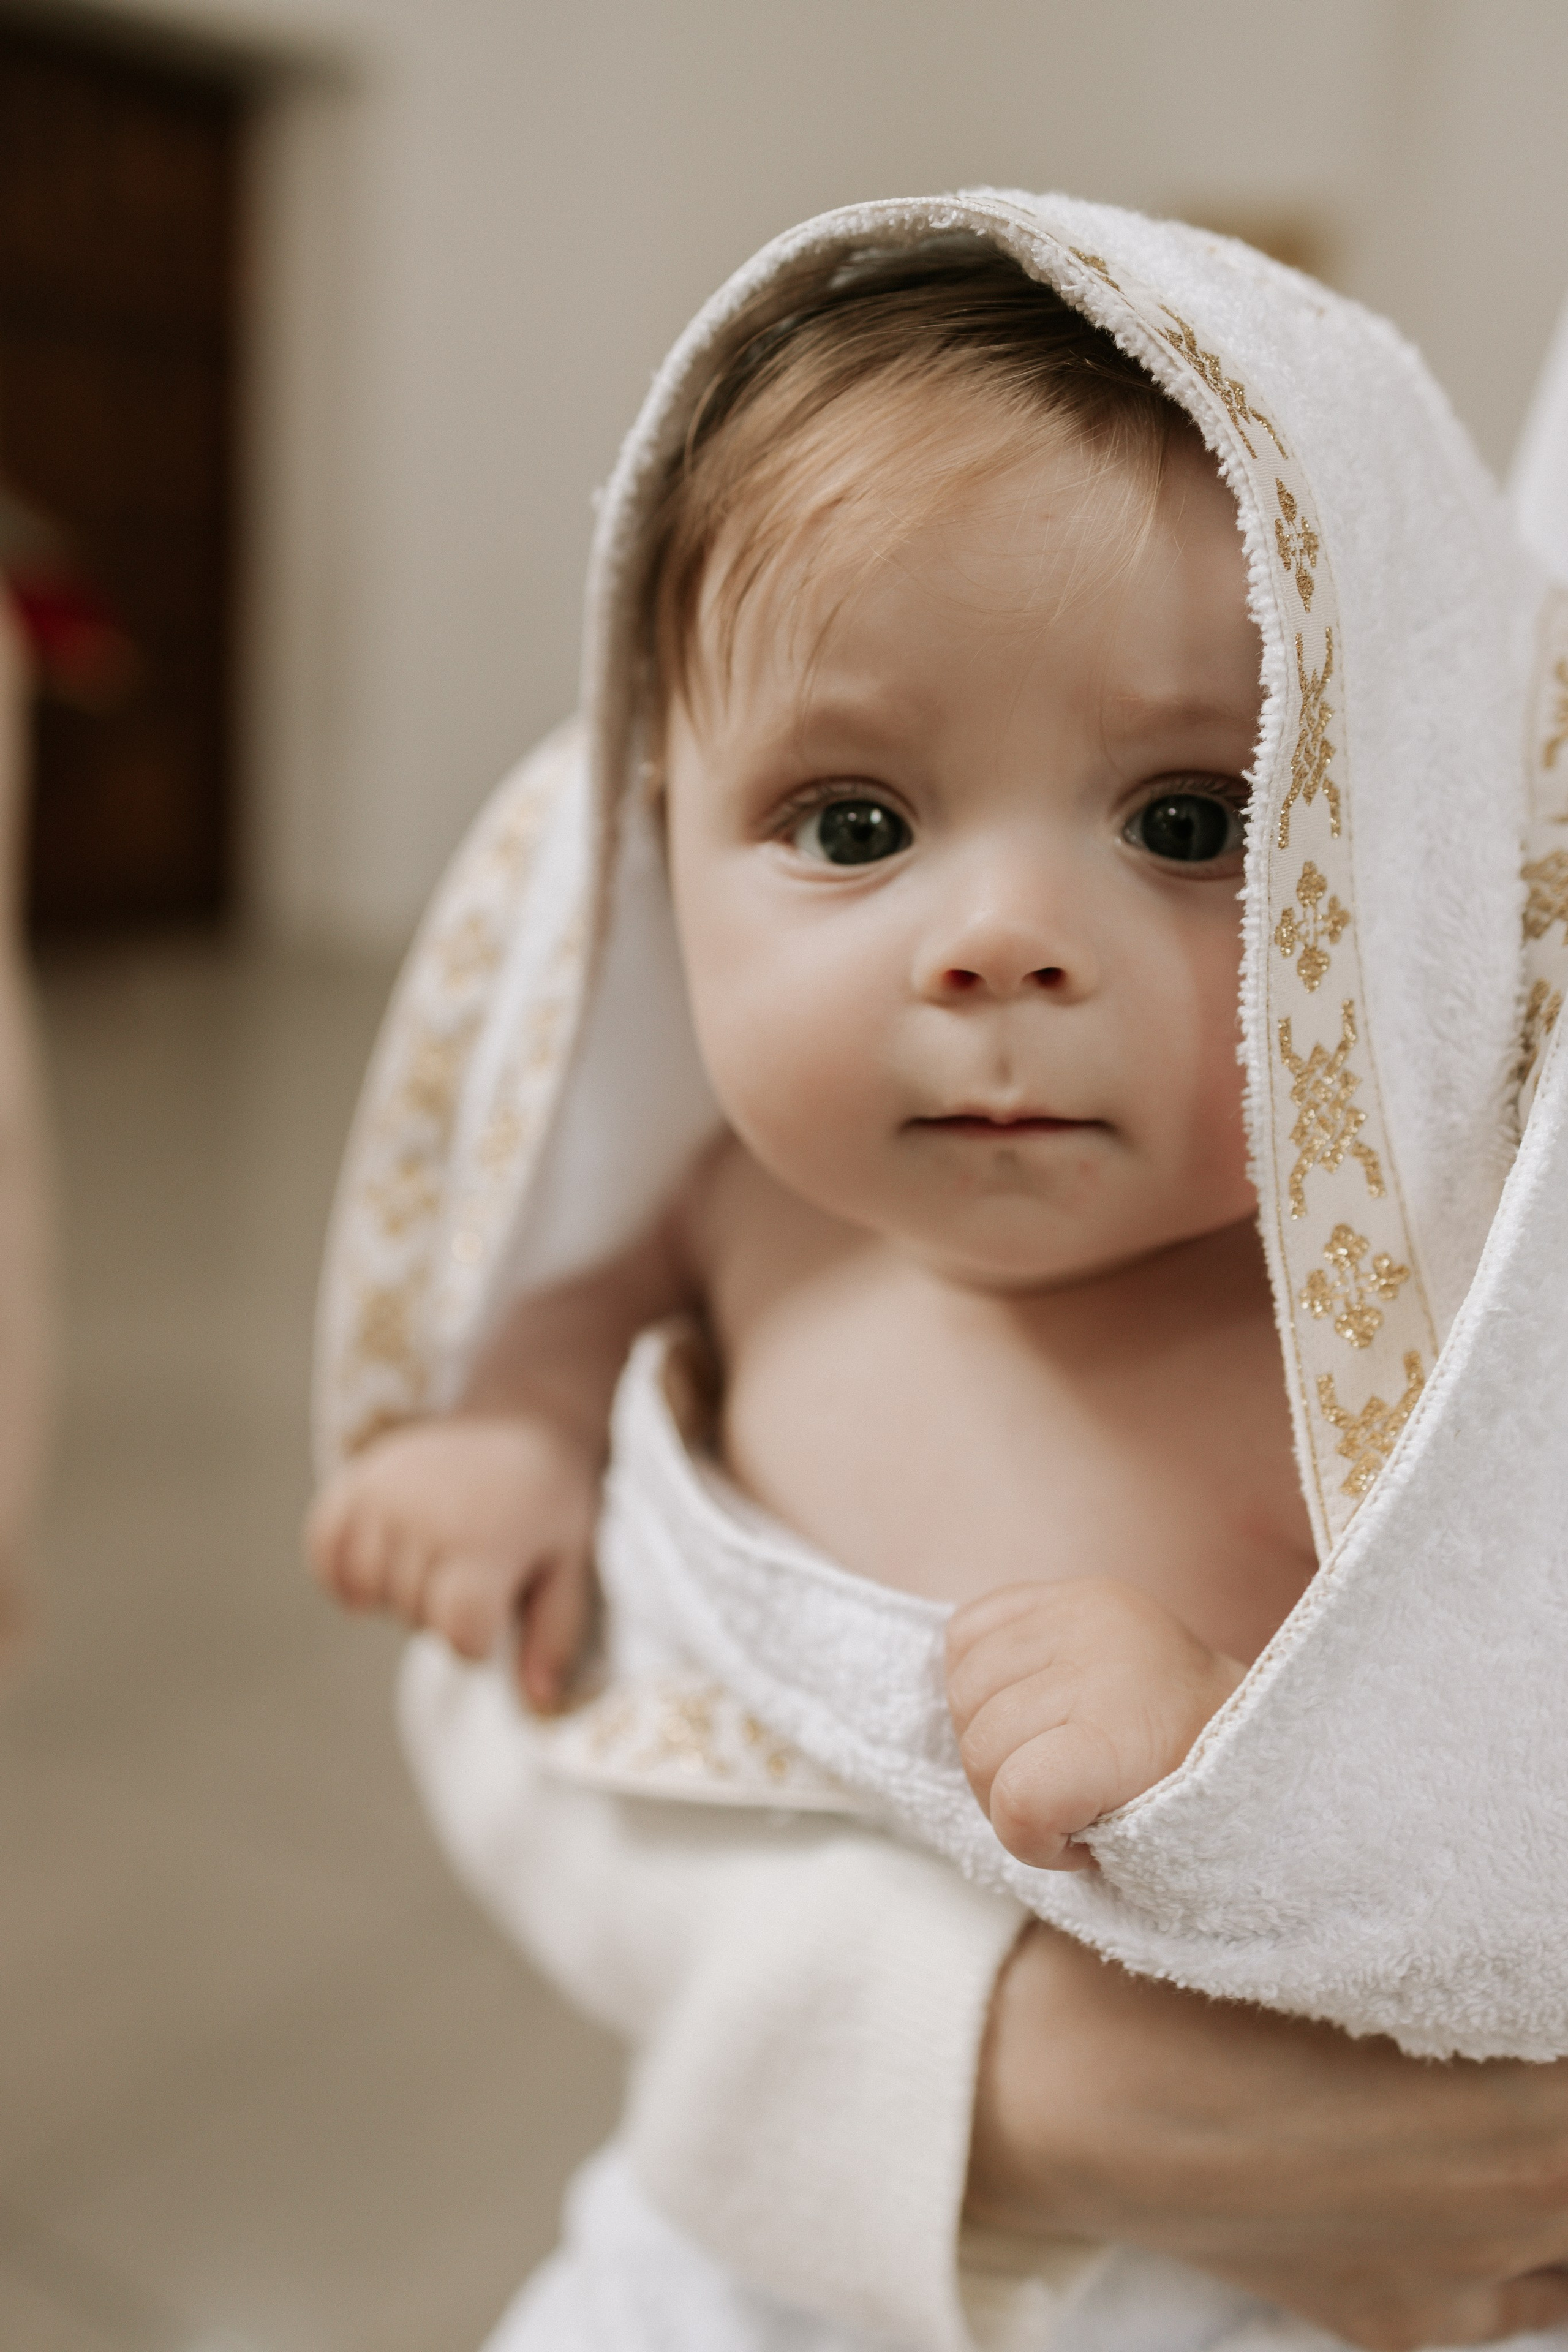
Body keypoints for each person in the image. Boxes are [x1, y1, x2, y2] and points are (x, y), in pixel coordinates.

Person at [309, 193, 1568, 2348]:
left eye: (1188, 825)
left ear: (1395, 883)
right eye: (857, 822)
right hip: (759, 2219)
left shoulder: (1385, 1348)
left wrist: (1235, 1786)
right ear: (652, 841)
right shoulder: (734, 1203)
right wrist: (511, 1446)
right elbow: (575, 1320)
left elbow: (1496, 1766)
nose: (995, 941)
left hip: (1241, 2284)